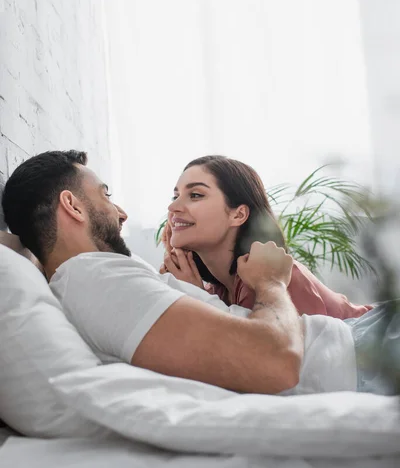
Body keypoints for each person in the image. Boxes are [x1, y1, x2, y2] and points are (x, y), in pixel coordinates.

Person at [1, 150, 398, 396]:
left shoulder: (99, 278)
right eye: (105, 194)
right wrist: (270, 283)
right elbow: (275, 360)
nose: (122, 212)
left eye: (193, 195)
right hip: (359, 356)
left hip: (366, 335)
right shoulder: (95, 282)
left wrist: (196, 294)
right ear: (72, 206)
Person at [160, 155, 373, 319]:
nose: (173, 207)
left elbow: (293, 365)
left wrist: (197, 299)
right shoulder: (219, 290)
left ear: (238, 214)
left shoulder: (276, 278)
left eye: (195, 195)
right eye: (175, 196)